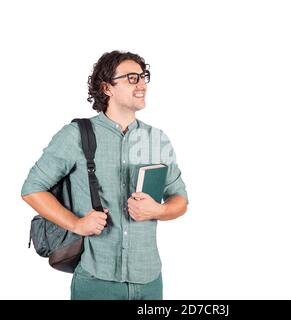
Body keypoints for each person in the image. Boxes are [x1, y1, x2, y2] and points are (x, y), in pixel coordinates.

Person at [21, 50, 189, 300]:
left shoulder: (156, 139)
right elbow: (32, 189)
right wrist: (76, 224)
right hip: (96, 280)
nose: (142, 84)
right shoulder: (76, 135)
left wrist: (159, 211)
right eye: (132, 78)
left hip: (149, 280)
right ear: (107, 88)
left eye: (144, 77)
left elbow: (180, 200)